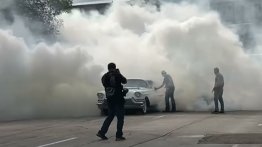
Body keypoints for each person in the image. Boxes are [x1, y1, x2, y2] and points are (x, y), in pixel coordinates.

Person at [97, 63, 127, 141]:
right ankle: (118, 136)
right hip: (118, 99)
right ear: (114, 67)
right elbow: (125, 81)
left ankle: (102, 132)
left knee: (110, 116)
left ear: (108, 68)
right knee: (120, 118)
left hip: (110, 100)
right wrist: (119, 73)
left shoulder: (104, 76)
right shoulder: (117, 75)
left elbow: (105, 85)